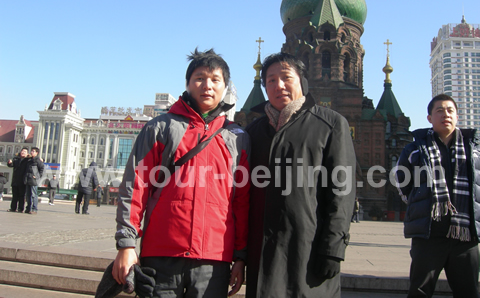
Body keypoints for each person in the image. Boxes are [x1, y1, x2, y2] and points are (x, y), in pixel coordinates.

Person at [112, 48, 250, 298]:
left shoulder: (236, 138)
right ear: (187, 84)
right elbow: (136, 186)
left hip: (214, 259)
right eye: (199, 78)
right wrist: (126, 244)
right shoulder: (160, 128)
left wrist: (240, 256)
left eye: (215, 80)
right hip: (162, 254)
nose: (207, 85)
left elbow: (241, 200)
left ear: (225, 86)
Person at [245, 52, 356, 298]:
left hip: (308, 249)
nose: (279, 85)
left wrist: (333, 248)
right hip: (262, 251)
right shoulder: (253, 131)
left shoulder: (330, 124)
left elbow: (342, 193)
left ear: (302, 81)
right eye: (271, 80)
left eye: (286, 77)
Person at [395, 94, 480, 298]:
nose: (445, 115)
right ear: (429, 118)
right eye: (439, 111)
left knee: (469, 292)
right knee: (419, 292)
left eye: (450, 111)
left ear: (457, 116)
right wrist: (420, 204)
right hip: (429, 234)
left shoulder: (474, 150)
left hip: (465, 236)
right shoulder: (414, 149)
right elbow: (401, 182)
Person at [7, 147, 28, 212]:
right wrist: (9, 163)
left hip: (23, 180)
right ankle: (13, 208)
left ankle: (20, 208)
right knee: (14, 195)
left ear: (27, 153)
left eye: (25, 152)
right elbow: (11, 165)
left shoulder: (27, 160)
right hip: (15, 180)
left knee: (22, 196)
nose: (23, 152)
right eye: (22, 151)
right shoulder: (16, 159)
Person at [24, 147, 44, 215]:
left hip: (33, 180)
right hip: (28, 179)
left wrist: (37, 176)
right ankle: (28, 208)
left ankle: (34, 209)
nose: (31, 152)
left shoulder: (37, 160)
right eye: (31, 151)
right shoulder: (30, 160)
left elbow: (42, 169)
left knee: (34, 195)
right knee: (28, 195)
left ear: (36, 153)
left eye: (33, 151)